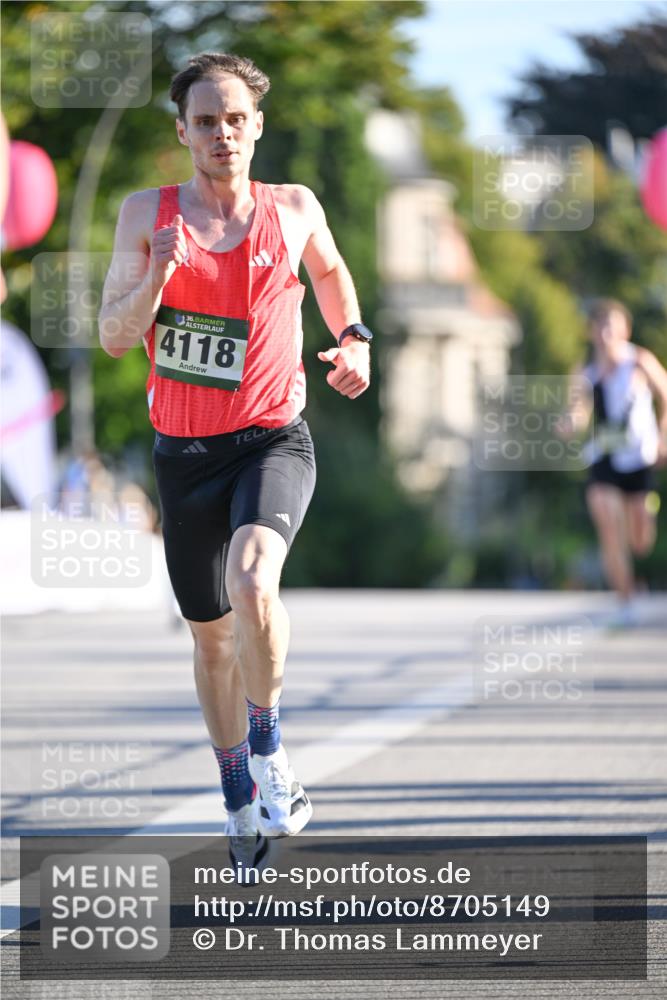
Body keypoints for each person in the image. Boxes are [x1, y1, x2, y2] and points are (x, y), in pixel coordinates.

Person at [98, 53, 372, 859]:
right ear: (182, 131)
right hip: (183, 454)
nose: (223, 133)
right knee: (211, 639)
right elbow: (114, 334)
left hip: (271, 436)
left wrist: (352, 337)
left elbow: (327, 268)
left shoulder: (291, 208)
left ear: (256, 127)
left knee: (254, 580)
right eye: (206, 121)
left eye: (236, 119)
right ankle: (236, 800)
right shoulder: (145, 215)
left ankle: (269, 748)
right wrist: (160, 275)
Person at [560, 299, 667, 625]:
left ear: (625, 329)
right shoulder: (585, 372)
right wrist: (569, 423)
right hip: (603, 456)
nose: (606, 332)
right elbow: (578, 410)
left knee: (639, 542)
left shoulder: (639, 362)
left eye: (612, 325)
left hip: (637, 458)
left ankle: (647, 508)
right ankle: (625, 601)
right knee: (608, 525)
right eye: (600, 325)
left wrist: (664, 436)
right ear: (592, 332)